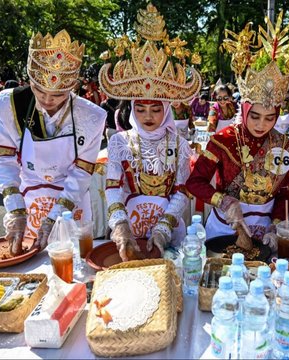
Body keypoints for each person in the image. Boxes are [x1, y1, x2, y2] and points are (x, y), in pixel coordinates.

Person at [186, 15, 289, 252]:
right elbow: (195, 182)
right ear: (244, 109)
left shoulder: (283, 146)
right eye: (254, 116)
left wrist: (276, 224)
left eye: (270, 118)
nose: (261, 125)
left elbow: (285, 192)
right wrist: (223, 200)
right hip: (225, 225)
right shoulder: (223, 141)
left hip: (264, 228)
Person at [99, 3, 201, 261]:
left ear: (166, 109)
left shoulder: (178, 143)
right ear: (132, 108)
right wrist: (120, 225)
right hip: (129, 227)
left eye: (155, 109)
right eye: (141, 109)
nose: (148, 117)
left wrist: (164, 227)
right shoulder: (119, 142)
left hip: (169, 227)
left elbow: (182, 191)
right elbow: (113, 187)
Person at [0, 30, 106, 255]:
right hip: (29, 197)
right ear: (30, 81)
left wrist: (56, 216)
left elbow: (82, 173)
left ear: (72, 88)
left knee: (70, 260)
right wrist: (15, 210)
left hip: (71, 199)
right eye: (39, 90)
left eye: (57, 95)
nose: (46, 101)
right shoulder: (11, 103)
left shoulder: (91, 115)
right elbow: (5, 160)